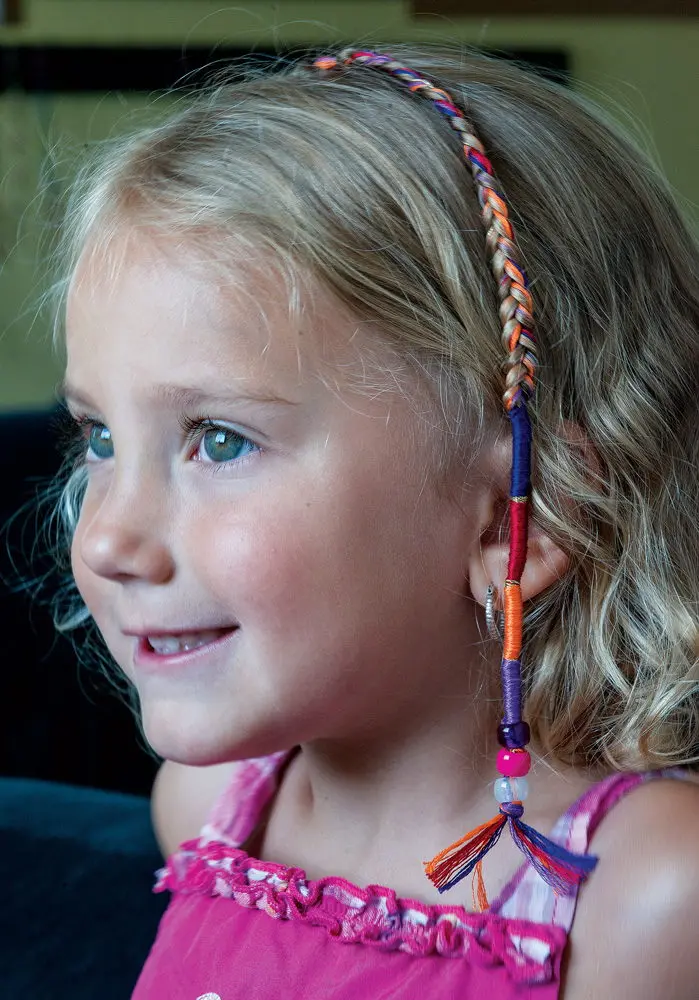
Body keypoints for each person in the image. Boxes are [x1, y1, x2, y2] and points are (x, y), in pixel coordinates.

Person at [53, 44, 699, 998]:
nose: (106, 540)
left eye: (219, 441)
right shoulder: (206, 813)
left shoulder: (647, 896)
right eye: (100, 438)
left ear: (515, 517)